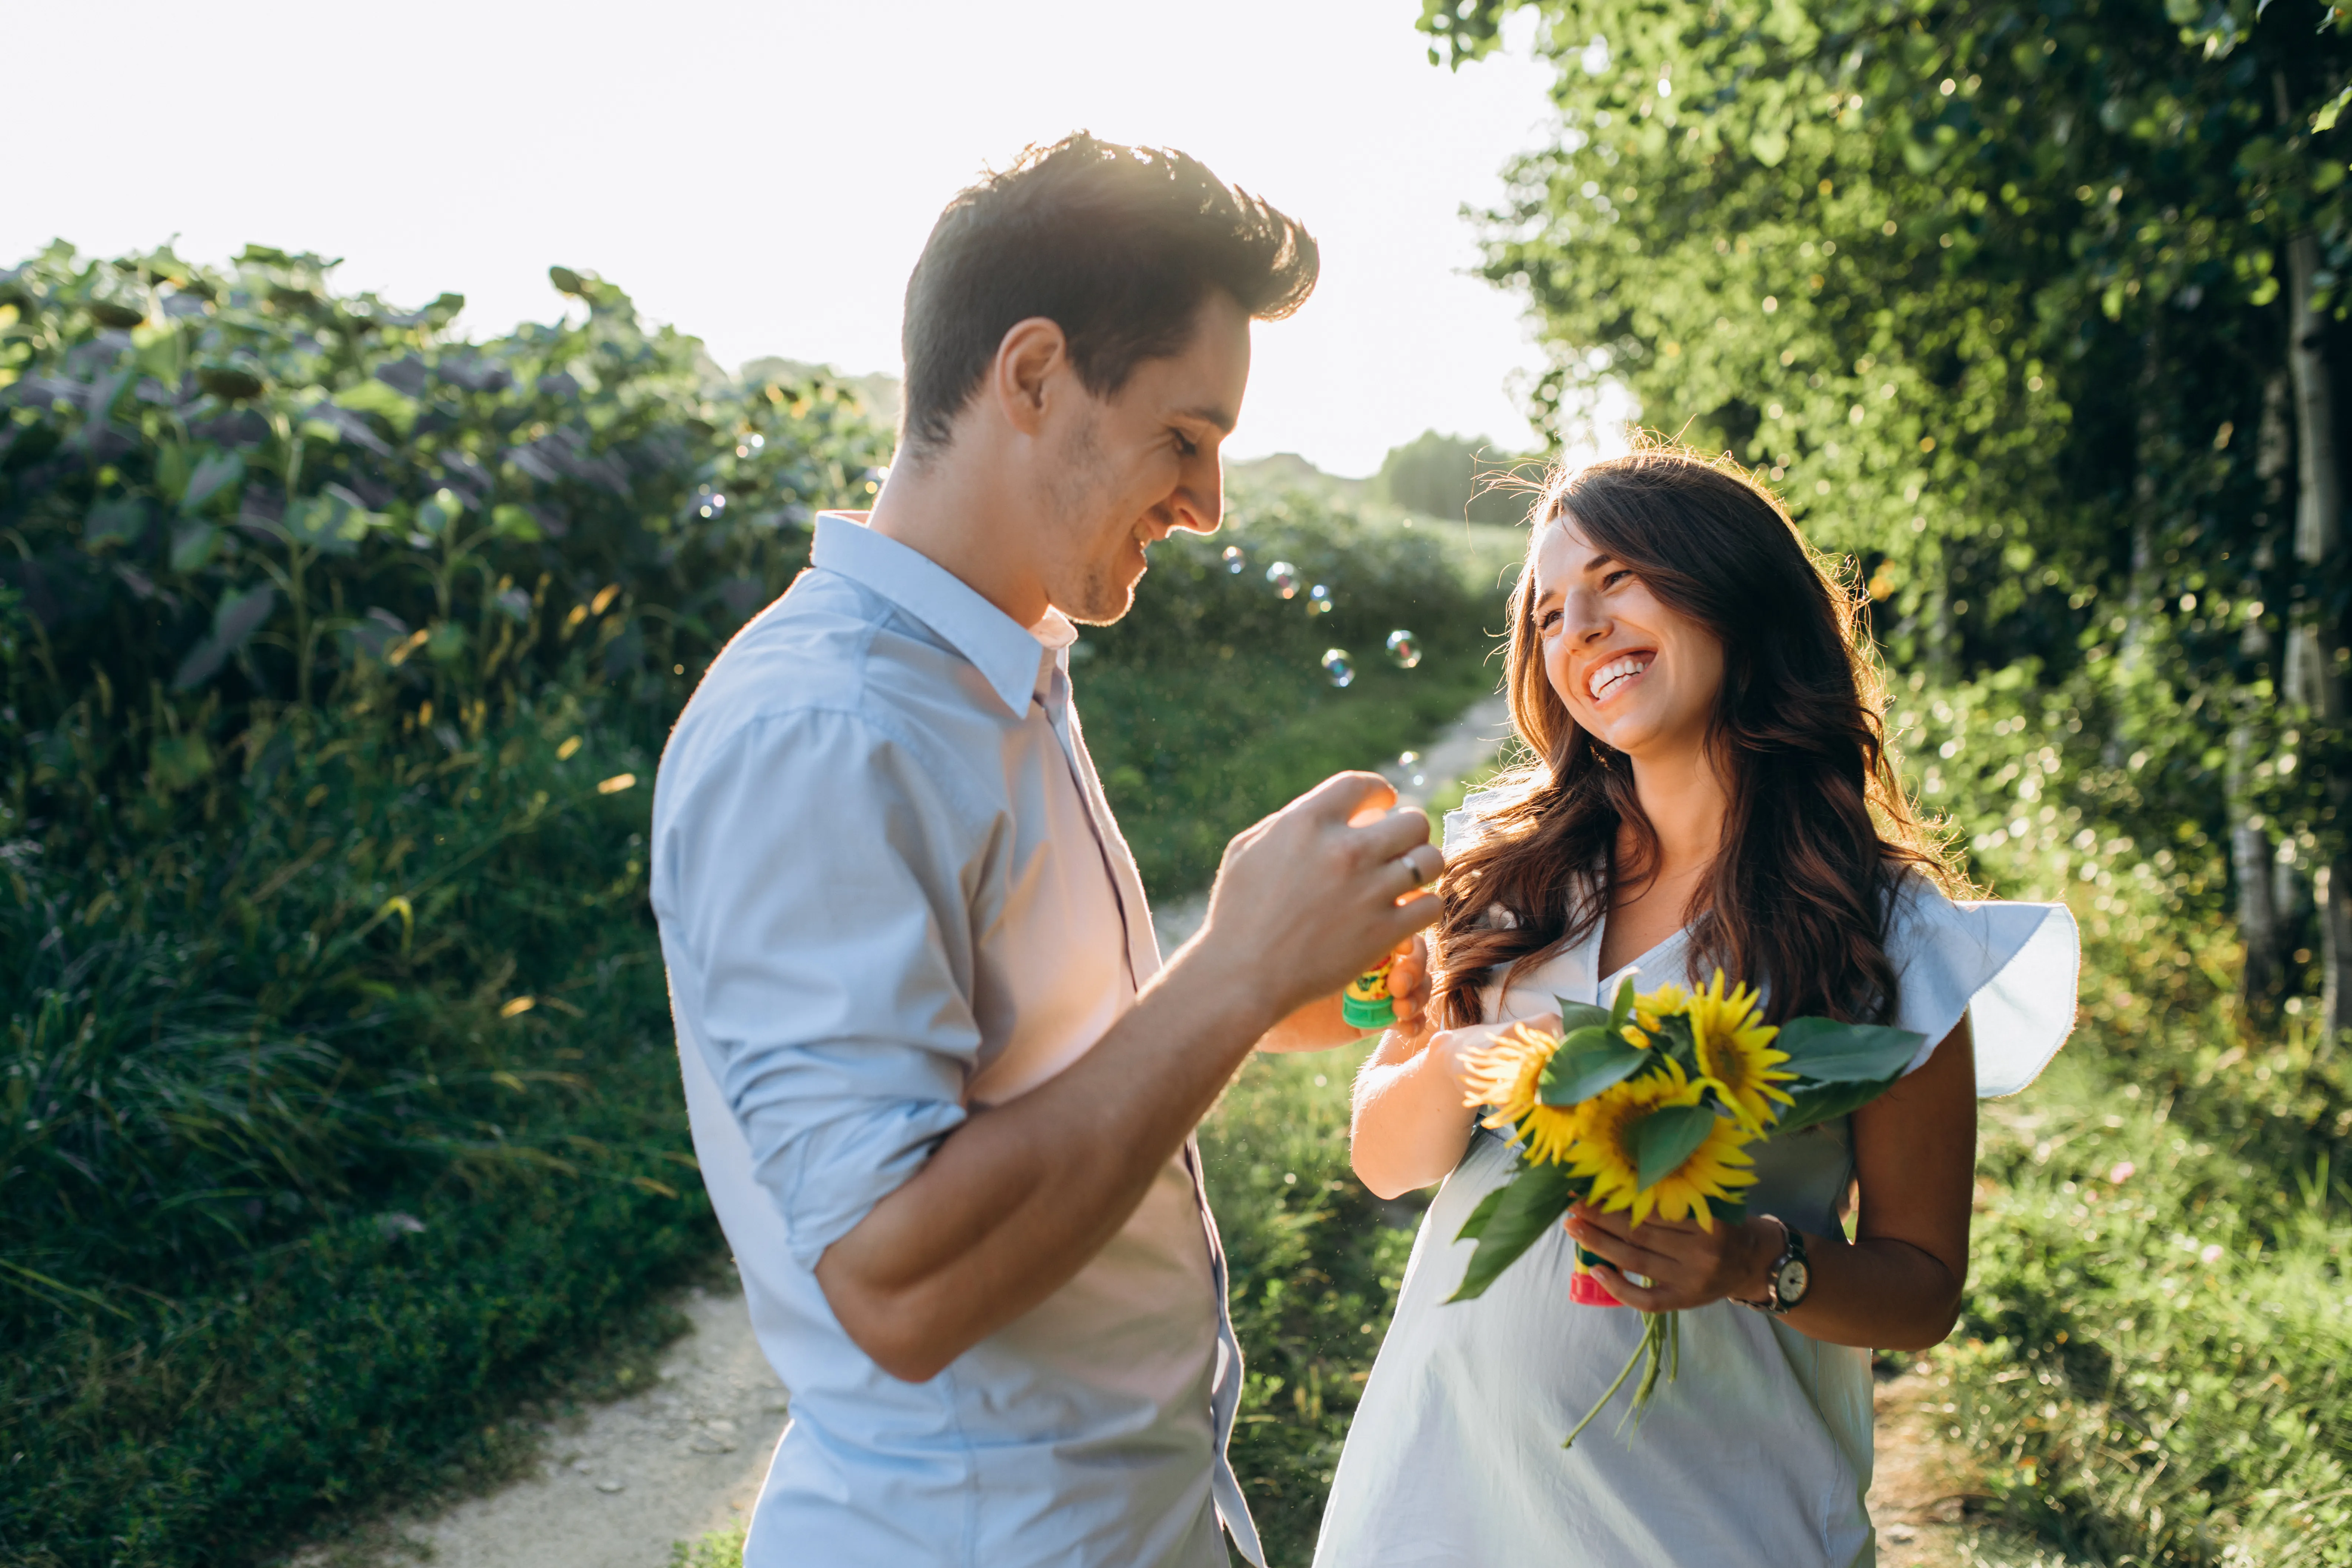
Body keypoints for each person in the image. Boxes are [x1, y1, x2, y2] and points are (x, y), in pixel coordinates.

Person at [649, 134, 1442, 1568]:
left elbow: (1059, 1067)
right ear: (1030, 377)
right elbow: (899, 1282)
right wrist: (1235, 964)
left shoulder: (995, 675)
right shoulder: (828, 730)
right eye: (1184, 440)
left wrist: (1319, 986)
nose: (1206, 506)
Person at [1316, 447, 2079, 1567]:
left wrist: (1749, 1263)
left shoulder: (1882, 925)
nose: (1575, 624)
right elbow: (1387, 1161)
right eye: (1544, 614)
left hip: (1710, 1519)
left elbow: (1921, 1288)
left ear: (1731, 586)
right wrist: (1464, 1058)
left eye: (1617, 575)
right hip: (1440, 1497)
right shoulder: (1508, 873)